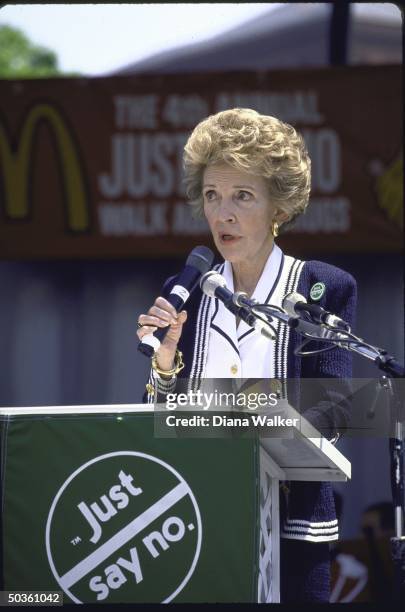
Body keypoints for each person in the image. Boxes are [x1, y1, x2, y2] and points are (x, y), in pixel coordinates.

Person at [137, 108, 357, 602]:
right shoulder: (186, 291)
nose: (223, 214)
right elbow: (158, 419)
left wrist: (252, 409)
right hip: (194, 523)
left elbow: (337, 413)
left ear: (278, 207)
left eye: (242, 196)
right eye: (212, 196)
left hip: (292, 530)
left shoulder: (321, 288)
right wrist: (165, 364)